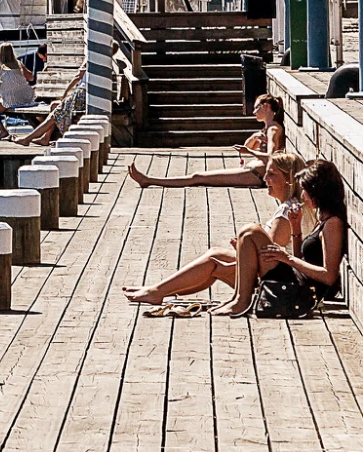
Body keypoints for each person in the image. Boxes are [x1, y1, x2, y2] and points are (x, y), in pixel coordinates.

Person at [122, 152, 307, 307]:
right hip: (276, 275)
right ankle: (159, 291)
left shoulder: (286, 213)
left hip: (276, 283)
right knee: (215, 256)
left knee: (214, 259)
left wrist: (240, 257)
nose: (265, 179)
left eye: (272, 174)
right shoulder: (292, 206)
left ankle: (157, 292)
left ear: (288, 180)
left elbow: (269, 257)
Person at [212, 158, 349, 317]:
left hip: (302, 291)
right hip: (296, 279)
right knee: (247, 233)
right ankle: (238, 298)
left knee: (251, 232)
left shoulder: (333, 224)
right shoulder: (324, 217)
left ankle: (242, 302)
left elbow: (329, 276)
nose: (303, 196)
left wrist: (287, 258)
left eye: (305, 190)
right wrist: (295, 229)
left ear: (318, 190)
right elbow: (302, 259)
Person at [126, 95, 285, 188]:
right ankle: (148, 180)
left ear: (266, 107)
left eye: (257, 108)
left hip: (256, 175)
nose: (253, 111)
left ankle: (148, 180)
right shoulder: (266, 129)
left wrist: (250, 152)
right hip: (252, 170)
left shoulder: (273, 130)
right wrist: (254, 139)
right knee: (198, 176)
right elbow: (247, 146)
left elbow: (272, 158)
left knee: (198, 177)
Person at [0, 43, 38, 135]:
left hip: (12, 100)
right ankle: (38, 132)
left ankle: (3, 131)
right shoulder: (18, 63)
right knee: (25, 112)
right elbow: (31, 77)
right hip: (28, 97)